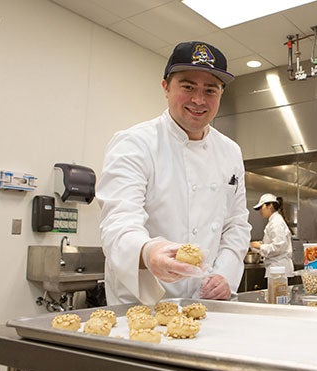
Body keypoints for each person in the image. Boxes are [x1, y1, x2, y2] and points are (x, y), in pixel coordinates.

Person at [96, 41, 251, 306]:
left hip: (205, 302)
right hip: (141, 303)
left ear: (221, 94)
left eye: (210, 90)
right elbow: (119, 221)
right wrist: (148, 251)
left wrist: (224, 274)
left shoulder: (230, 151)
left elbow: (236, 224)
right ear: (166, 87)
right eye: (188, 86)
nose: (199, 100)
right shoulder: (135, 143)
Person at [249, 194, 294, 277]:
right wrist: (254, 247)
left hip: (279, 270)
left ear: (269, 206)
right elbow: (272, 246)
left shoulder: (276, 222)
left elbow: (278, 247)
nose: (260, 211)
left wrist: (259, 246)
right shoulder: (273, 221)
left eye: (261, 207)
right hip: (276, 269)